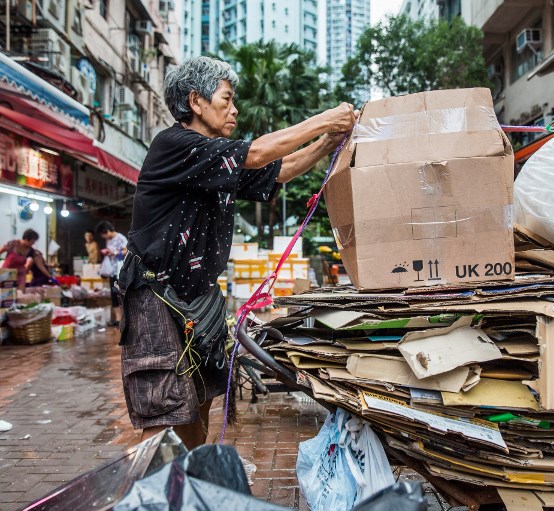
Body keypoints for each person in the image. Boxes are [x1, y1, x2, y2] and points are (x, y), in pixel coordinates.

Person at [117, 56, 357, 449]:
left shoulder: (213, 158)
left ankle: (194, 484)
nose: (235, 109)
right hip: (156, 297)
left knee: (199, 406)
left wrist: (328, 141)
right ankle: (153, 494)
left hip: (199, 300)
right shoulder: (173, 144)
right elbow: (259, 155)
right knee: (163, 412)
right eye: (226, 99)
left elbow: (278, 169)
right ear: (195, 102)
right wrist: (326, 119)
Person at [95, 221, 127, 326]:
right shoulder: (108, 240)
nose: (103, 237)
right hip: (112, 272)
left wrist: (114, 252)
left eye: (102, 234)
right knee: (114, 295)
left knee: (123, 294)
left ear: (106, 231)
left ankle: (126, 318)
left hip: (121, 271)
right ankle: (118, 319)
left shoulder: (120, 238)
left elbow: (127, 251)